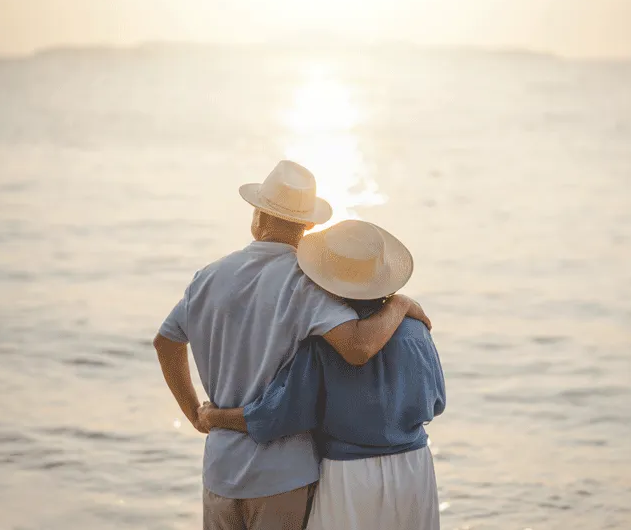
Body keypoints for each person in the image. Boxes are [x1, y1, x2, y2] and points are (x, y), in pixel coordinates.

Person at [153, 160, 431, 530]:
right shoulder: (307, 284)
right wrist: (399, 303)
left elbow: (166, 342)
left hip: (220, 468)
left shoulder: (208, 276)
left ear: (258, 216)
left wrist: (194, 413)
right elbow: (358, 348)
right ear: (308, 226)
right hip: (284, 475)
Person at [198, 219, 446, 530]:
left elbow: (278, 414)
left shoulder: (323, 343)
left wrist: (215, 417)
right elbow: (436, 402)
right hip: (415, 469)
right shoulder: (416, 329)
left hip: (348, 475)